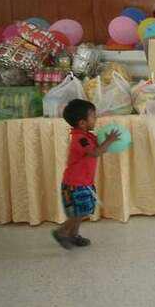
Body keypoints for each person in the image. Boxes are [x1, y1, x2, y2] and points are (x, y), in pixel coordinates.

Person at [52, 99, 119, 249]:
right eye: (93, 116)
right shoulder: (80, 139)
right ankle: (61, 232)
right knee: (78, 212)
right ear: (82, 123)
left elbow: (99, 147)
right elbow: (95, 152)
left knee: (82, 211)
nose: (96, 119)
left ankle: (73, 235)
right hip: (75, 184)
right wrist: (109, 140)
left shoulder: (87, 135)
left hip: (83, 182)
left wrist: (107, 141)